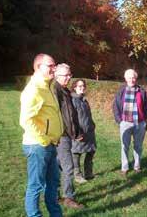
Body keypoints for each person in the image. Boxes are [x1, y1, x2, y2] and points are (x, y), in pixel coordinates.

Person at [19, 53, 64, 217]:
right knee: (36, 185)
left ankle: (56, 214)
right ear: (38, 67)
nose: (54, 68)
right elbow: (25, 120)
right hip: (38, 145)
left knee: (53, 183)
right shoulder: (34, 89)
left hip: (50, 144)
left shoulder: (48, 85)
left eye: (54, 65)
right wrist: (44, 139)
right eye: (50, 66)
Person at [53, 63, 84, 209]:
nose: (69, 77)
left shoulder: (65, 91)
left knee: (58, 165)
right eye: (66, 75)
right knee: (68, 167)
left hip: (67, 135)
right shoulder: (55, 91)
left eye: (69, 74)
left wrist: (76, 132)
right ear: (56, 75)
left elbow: (71, 115)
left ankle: (54, 194)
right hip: (61, 135)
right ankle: (68, 197)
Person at [112, 69, 147, 176]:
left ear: (136, 78)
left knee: (138, 146)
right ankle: (124, 168)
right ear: (125, 79)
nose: (132, 79)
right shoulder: (121, 91)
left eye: (133, 77)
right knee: (125, 146)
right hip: (125, 123)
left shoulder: (141, 91)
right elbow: (115, 106)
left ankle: (136, 166)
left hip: (140, 123)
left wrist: (146, 121)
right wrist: (119, 121)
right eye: (129, 77)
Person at [70, 79, 96, 183]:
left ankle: (88, 173)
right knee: (76, 154)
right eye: (79, 86)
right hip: (79, 132)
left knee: (91, 151)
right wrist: (77, 132)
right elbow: (72, 118)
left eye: (83, 86)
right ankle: (77, 176)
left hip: (89, 131)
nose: (82, 88)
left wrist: (92, 124)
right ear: (74, 87)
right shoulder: (72, 100)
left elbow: (87, 115)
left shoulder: (84, 100)